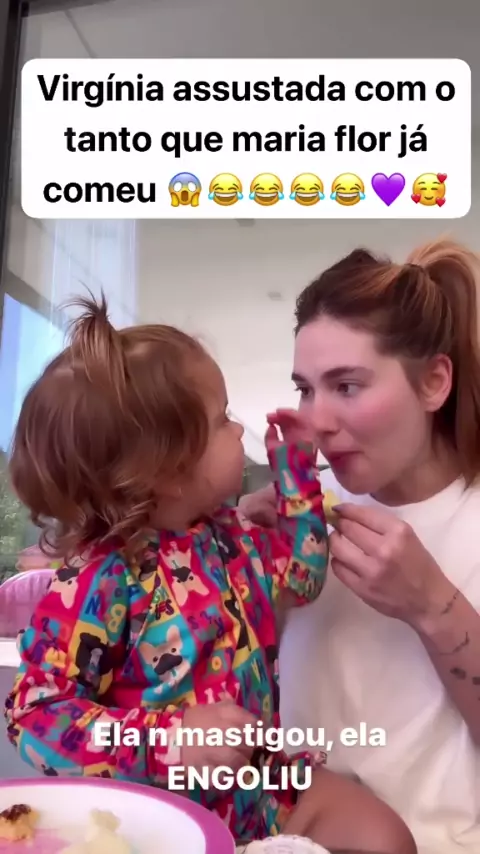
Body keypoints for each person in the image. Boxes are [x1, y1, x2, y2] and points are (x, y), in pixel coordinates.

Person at [3, 296, 415, 854]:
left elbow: (303, 577)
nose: (239, 428)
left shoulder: (230, 534)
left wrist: (296, 473)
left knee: (384, 837)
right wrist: (172, 739)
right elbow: (35, 716)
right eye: (222, 418)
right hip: (161, 816)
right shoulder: (99, 580)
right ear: (168, 468)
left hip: (261, 785)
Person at [239, 238, 480, 854]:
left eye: (346, 386)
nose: (316, 420)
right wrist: (231, 568)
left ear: (434, 383)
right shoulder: (304, 519)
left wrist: (433, 607)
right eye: (306, 389)